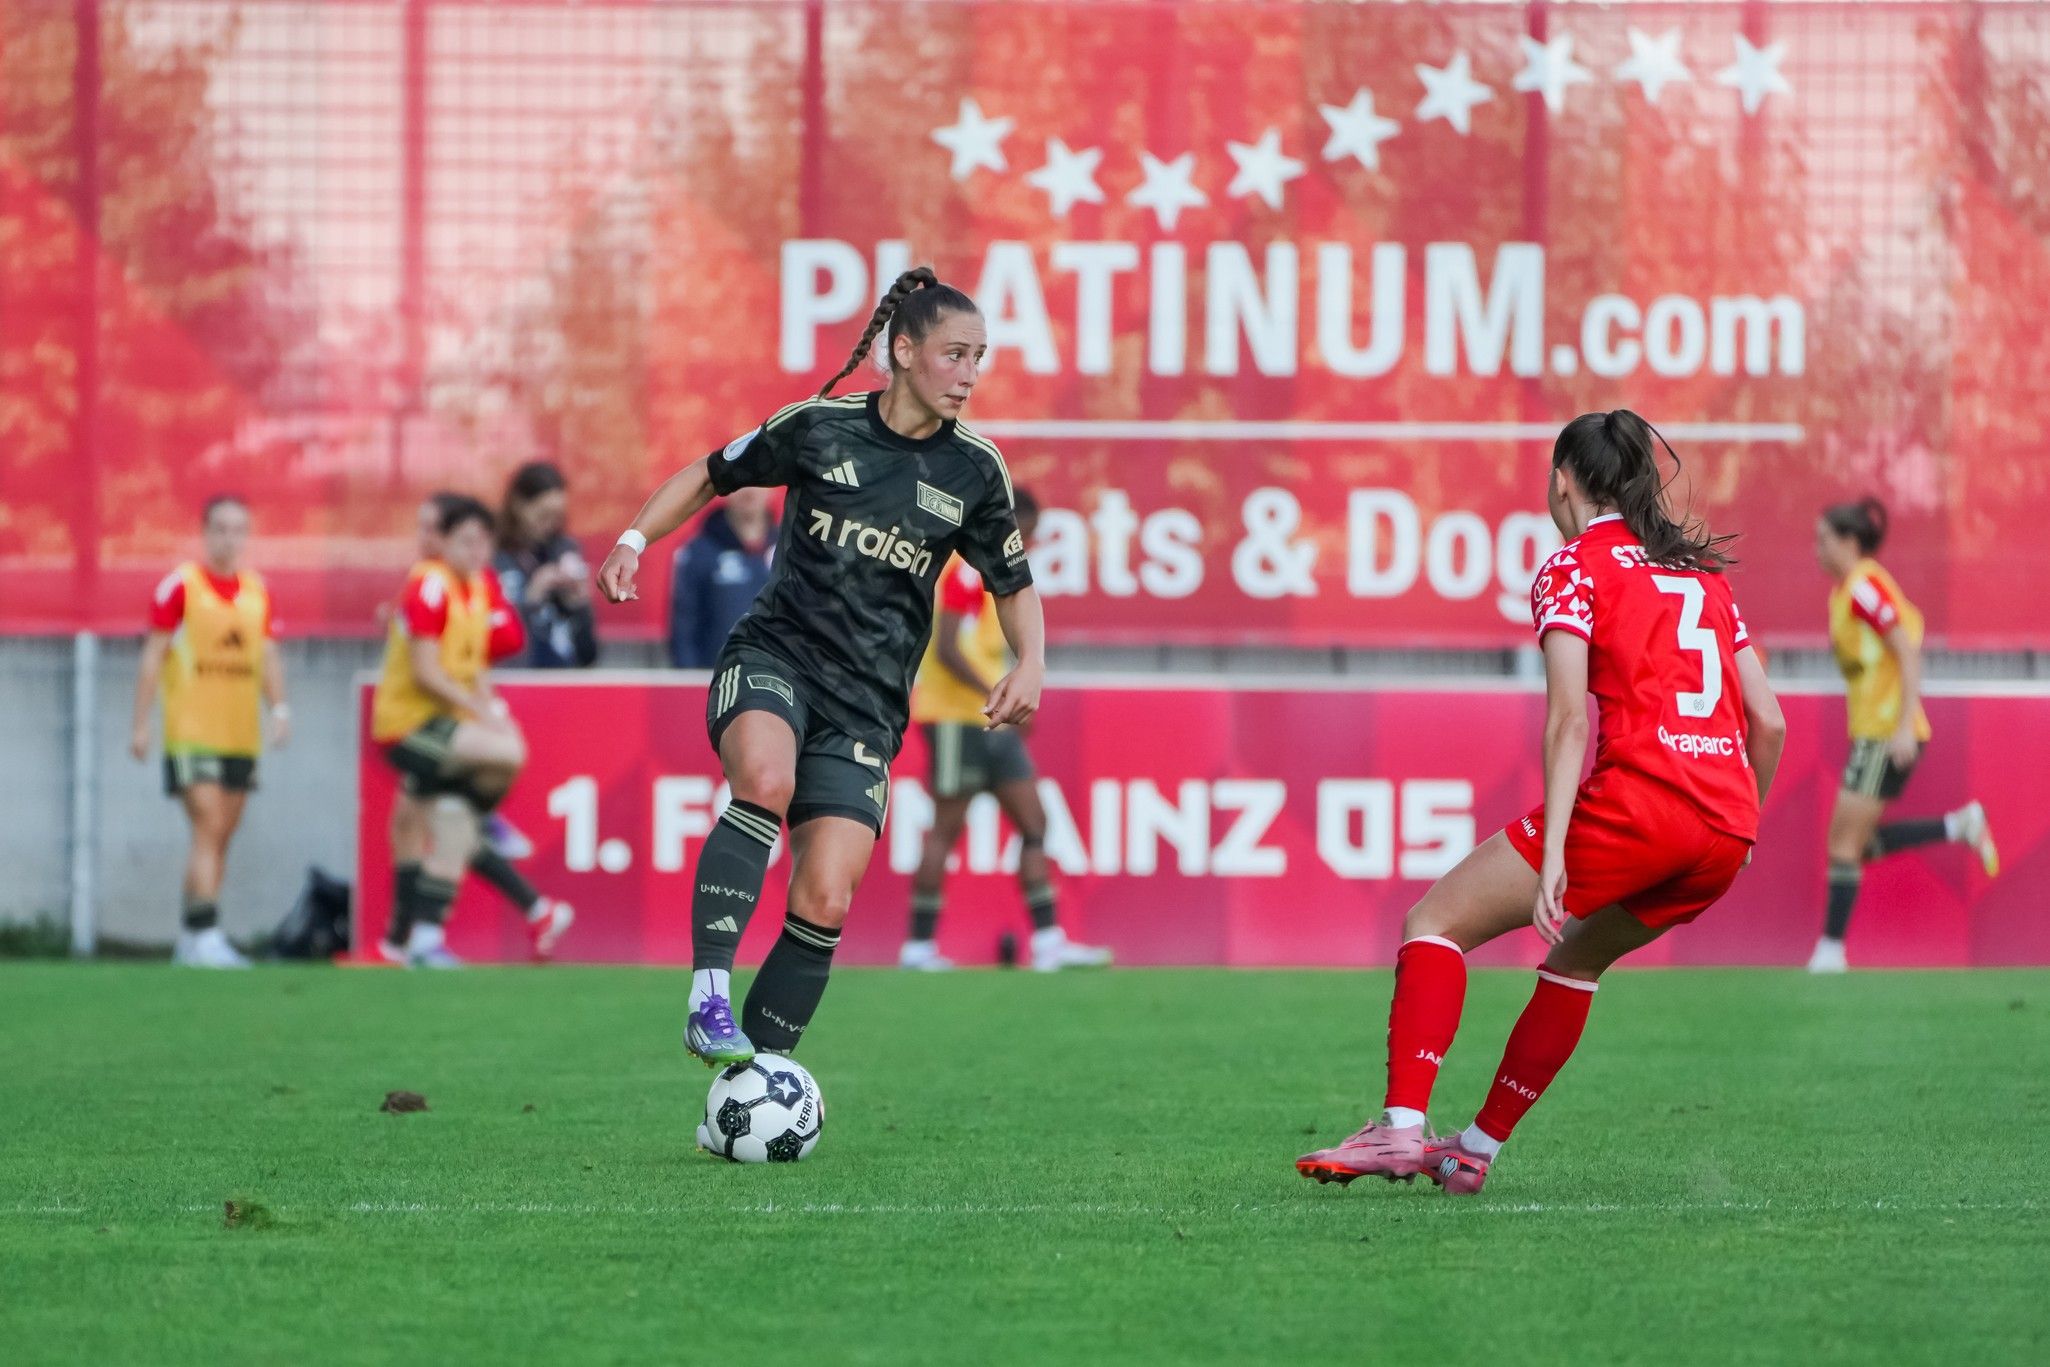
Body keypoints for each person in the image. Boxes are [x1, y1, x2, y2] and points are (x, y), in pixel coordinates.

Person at [1296, 411, 1787, 1195]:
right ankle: (1475, 1149)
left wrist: (1556, 847)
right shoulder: (1702, 575)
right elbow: (1769, 719)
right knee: (1577, 961)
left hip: (1639, 807)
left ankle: (1399, 1129)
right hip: (1725, 827)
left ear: (1564, 480)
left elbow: (1567, 719)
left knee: (1434, 922)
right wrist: (1744, 823)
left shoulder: (1574, 566)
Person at [597, 266, 1041, 1074]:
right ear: (903, 351)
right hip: (776, 657)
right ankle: (707, 996)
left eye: (980, 357)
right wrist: (634, 539)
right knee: (763, 779)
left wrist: (1033, 660)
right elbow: (708, 473)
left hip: (867, 707)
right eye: (954, 355)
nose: (970, 375)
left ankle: (752, 1083)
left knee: (826, 896)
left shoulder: (975, 471)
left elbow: (1013, 585)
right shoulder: (819, 428)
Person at [899, 487, 1110, 972]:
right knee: (946, 829)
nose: (1027, 547)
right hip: (955, 716)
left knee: (1035, 822)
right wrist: (1002, 691)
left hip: (991, 717)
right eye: (1026, 535)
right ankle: (918, 947)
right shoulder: (966, 569)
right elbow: (948, 648)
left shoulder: (992, 577)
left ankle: (1049, 942)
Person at [373, 494, 574, 965]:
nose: (477, 551)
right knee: (507, 754)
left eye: (483, 542)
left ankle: (413, 941)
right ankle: (518, 889)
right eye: (466, 541)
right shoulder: (429, 583)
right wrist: (479, 711)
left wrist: (488, 704)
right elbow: (426, 672)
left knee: (442, 820)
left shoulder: (478, 586)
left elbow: (479, 660)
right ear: (444, 542)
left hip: (443, 724)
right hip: (407, 726)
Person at [1807, 498, 1997, 974]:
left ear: (1849, 542)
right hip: (1874, 732)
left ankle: (1831, 951)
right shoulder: (1846, 591)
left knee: (1844, 845)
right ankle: (1959, 826)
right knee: (1857, 844)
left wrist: (1903, 726)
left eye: (1824, 540)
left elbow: (1906, 650)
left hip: (1884, 734)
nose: (1817, 550)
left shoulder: (1863, 588)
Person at [130, 494, 289, 968]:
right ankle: (207, 933)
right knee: (207, 824)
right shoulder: (181, 587)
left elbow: (268, 656)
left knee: (220, 836)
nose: (229, 538)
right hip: (191, 730)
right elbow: (153, 656)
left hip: (239, 734)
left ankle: (190, 937)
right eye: (220, 528)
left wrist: (279, 708)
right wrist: (141, 724)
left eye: (238, 529)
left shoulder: (257, 591)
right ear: (204, 532)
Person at [495, 461, 598, 668]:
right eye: (543, 515)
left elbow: (588, 654)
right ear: (518, 504)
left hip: (562, 677)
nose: (550, 524)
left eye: (557, 517)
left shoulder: (564, 549)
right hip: (517, 680)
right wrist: (532, 596)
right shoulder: (494, 555)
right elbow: (494, 640)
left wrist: (578, 605)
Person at [667, 486, 777, 668]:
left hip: (778, 684)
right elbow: (684, 631)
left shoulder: (790, 548)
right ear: (723, 485)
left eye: (759, 480)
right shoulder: (697, 552)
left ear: (773, 487)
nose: (749, 490)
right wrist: (689, 684)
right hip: (714, 682)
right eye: (741, 481)